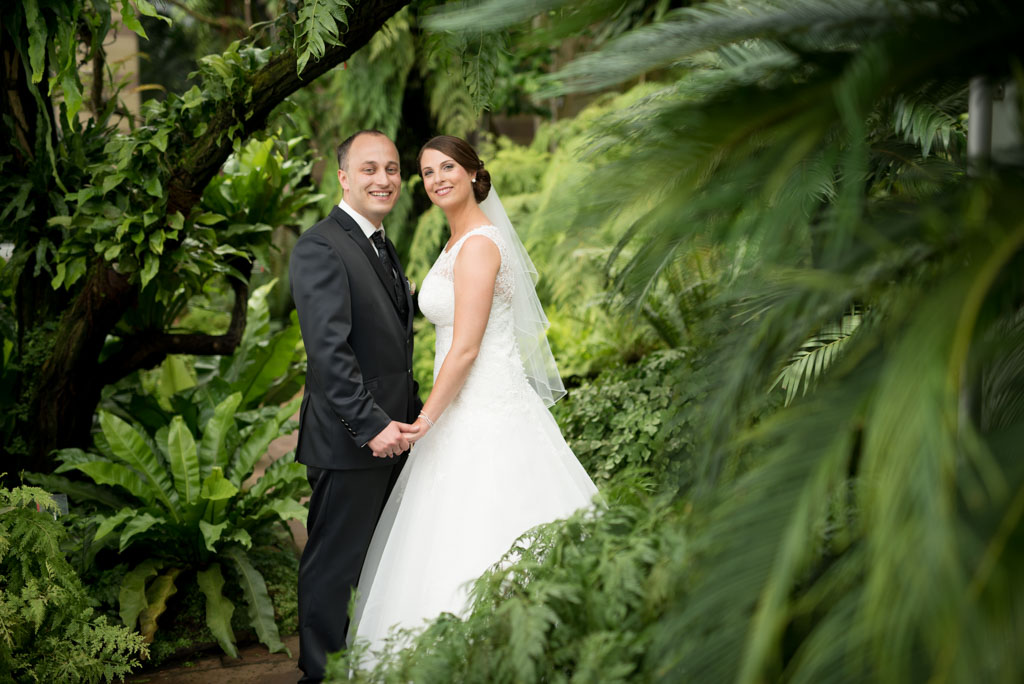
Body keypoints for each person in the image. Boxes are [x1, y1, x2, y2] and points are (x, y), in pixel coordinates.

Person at [349, 135, 598, 662]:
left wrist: (426, 419)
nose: (437, 178)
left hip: (483, 404)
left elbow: (464, 349)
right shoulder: (454, 242)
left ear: (471, 173)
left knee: (489, 517)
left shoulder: (480, 244)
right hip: (459, 406)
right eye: (427, 172)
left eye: (447, 167)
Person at [289, 129, 420, 683]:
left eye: (391, 169)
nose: (383, 180)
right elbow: (328, 352)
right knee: (334, 568)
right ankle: (318, 676)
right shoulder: (321, 245)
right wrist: (371, 426)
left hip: (393, 433)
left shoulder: (378, 242)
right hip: (353, 440)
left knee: (377, 565)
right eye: (369, 169)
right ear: (343, 176)